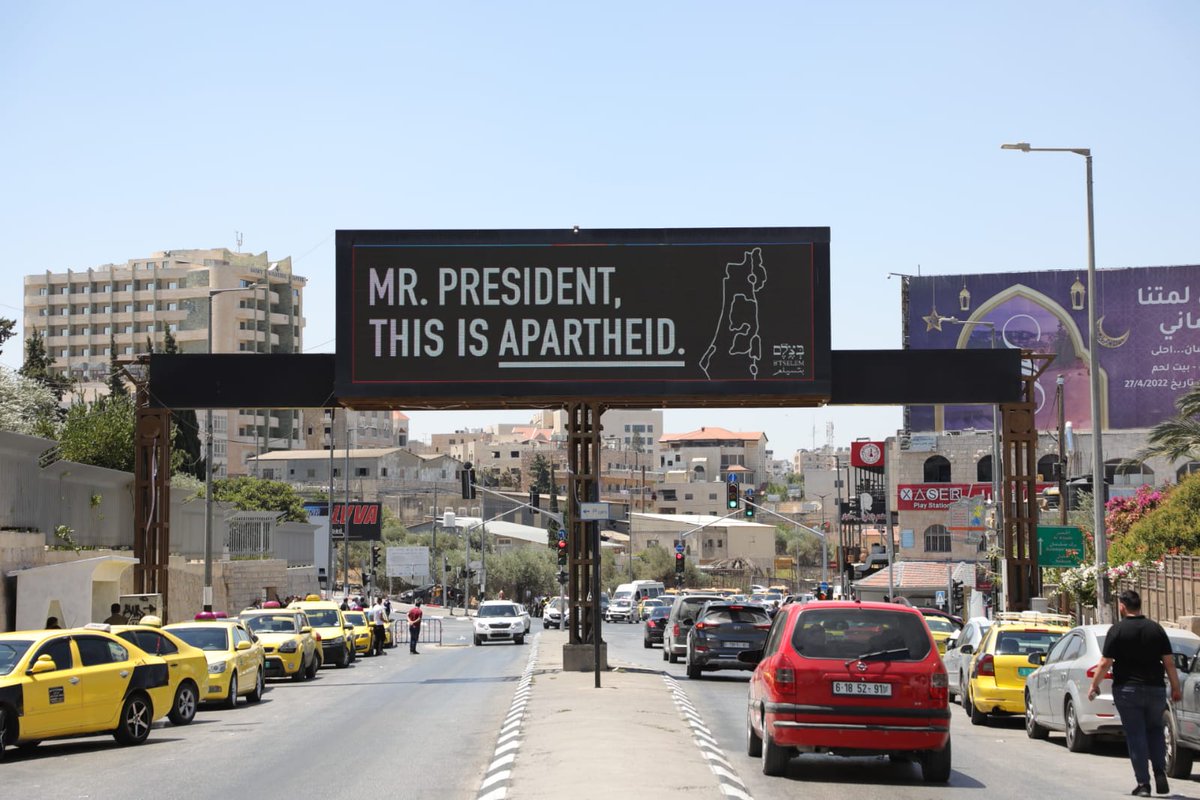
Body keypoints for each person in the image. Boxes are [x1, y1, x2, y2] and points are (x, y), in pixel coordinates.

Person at [1088, 589, 1182, 797]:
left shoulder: (1117, 630)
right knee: (1155, 730)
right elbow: (1169, 662)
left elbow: (1104, 663)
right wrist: (1176, 688)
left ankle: (1143, 784)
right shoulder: (1156, 629)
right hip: (1156, 689)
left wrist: (1094, 685)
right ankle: (1160, 771)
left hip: (1127, 690)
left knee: (1136, 734)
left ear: (1122, 606)